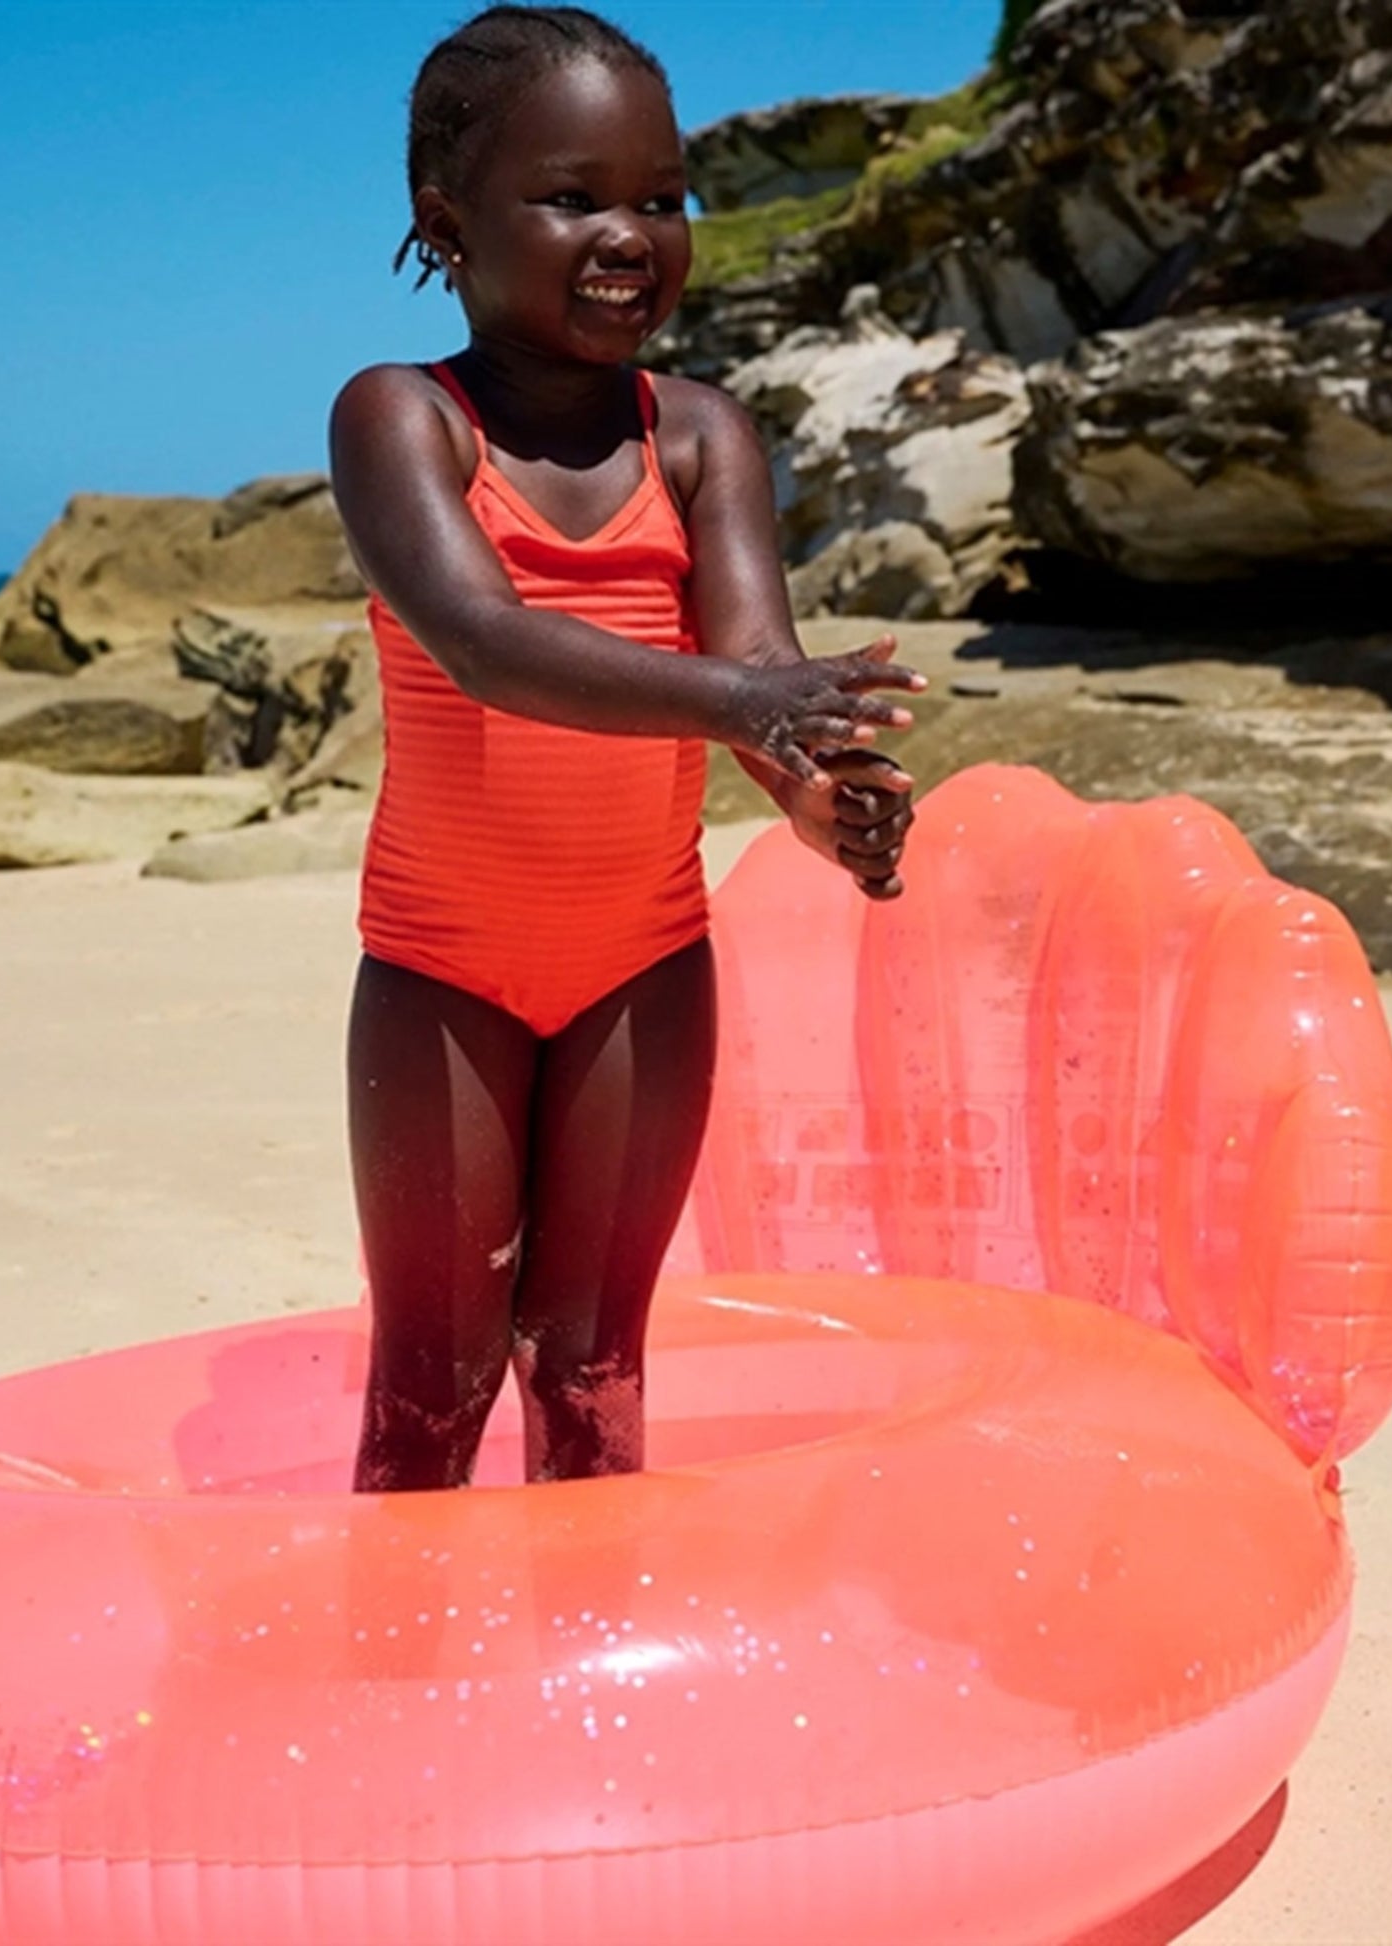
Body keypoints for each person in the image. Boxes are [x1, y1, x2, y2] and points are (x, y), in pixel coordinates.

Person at [330, 4, 923, 1492]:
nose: (628, 235)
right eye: (573, 196)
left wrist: (823, 800)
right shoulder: (404, 420)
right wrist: (743, 706)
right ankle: (402, 1641)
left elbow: (761, 671)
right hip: (442, 974)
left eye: (662, 198)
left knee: (593, 1358)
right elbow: (486, 641)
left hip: (642, 968)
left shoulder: (701, 437)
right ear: (446, 224)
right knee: (434, 1370)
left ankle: (578, 1634)